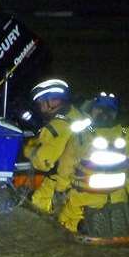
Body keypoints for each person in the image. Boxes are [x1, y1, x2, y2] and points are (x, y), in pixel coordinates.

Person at [55, 91, 129, 233]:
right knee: (71, 219)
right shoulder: (126, 133)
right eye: (101, 109)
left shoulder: (83, 135)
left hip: (92, 196)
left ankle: (79, 229)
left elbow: (66, 166)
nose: (104, 113)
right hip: (109, 196)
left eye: (108, 110)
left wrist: (60, 188)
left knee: (66, 222)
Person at [21, 78, 88, 215]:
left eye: (41, 103)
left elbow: (43, 163)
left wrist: (26, 149)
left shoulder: (57, 126)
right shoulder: (79, 115)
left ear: (53, 101)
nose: (40, 108)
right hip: (83, 174)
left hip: (62, 182)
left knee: (37, 206)